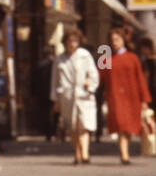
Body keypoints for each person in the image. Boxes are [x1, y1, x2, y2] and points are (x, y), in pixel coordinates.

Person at [98, 26, 151, 165]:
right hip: (115, 97)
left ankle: (125, 151)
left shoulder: (133, 57)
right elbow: (97, 76)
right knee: (121, 125)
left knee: (128, 127)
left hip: (132, 97)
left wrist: (144, 99)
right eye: (112, 40)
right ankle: (124, 155)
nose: (114, 42)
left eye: (117, 39)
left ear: (123, 40)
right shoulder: (105, 57)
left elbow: (140, 79)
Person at [53, 27, 99, 165]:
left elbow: (94, 74)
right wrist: (55, 99)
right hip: (67, 96)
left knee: (84, 124)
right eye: (70, 41)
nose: (72, 44)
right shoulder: (59, 59)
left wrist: (90, 85)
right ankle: (77, 153)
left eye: (75, 41)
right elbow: (54, 80)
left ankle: (85, 153)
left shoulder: (85, 55)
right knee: (72, 126)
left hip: (83, 94)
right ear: (65, 42)